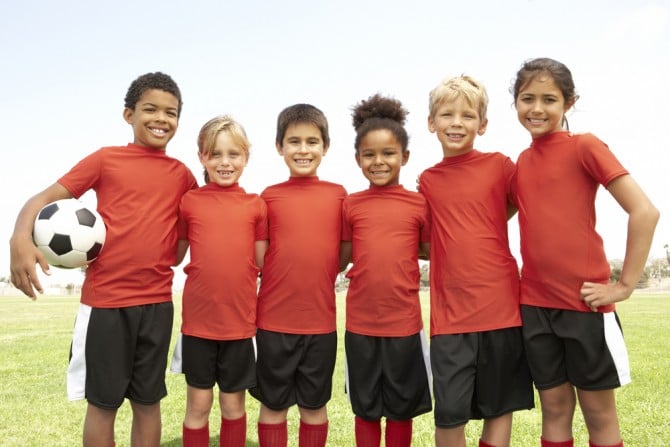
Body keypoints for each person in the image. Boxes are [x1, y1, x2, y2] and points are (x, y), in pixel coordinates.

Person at [8, 72, 198, 447]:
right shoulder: (105, 160)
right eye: (150, 109)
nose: (161, 118)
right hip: (106, 306)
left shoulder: (183, 176)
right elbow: (40, 200)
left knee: (148, 402)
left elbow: (181, 244)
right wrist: (19, 238)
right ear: (128, 114)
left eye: (171, 112)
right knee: (103, 405)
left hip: (157, 306)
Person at [509, 57, 659, 447]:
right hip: (536, 308)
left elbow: (644, 211)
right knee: (555, 409)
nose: (537, 108)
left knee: (598, 412)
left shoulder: (585, 146)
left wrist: (623, 285)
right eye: (527, 98)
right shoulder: (521, 164)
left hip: (585, 306)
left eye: (549, 99)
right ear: (515, 103)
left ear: (569, 103)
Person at [418, 75, 534, 447]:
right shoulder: (427, 181)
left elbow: (515, 206)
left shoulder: (500, 166)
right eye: (447, 114)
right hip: (450, 319)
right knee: (450, 415)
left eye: (467, 116)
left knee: (500, 409)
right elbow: (425, 242)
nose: (456, 123)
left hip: (501, 309)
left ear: (482, 125)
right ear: (431, 122)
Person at [249, 104, 347, 447]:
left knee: (314, 406)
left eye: (311, 141)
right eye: (294, 142)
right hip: (274, 323)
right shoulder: (268, 197)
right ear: (279, 147)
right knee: (273, 406)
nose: (303, 150)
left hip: (320, 325)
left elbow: (342, 254)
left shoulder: (339, 196)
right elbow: (260, 257)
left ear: (325, 147)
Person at [339, 93, 432, 447]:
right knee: (365, 407)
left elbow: (428, 250)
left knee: (400, 407)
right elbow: (342, 258)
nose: (379, 161)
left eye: (388, 153)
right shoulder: (350, 205)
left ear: (404, 157)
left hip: (404, 324)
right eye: (369, 154)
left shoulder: (419, 204)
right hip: (360, 325)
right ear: (358, 159)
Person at [170, 116, 268, 446]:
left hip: (239, 325)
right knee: (197, 405)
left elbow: (262, 262)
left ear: (246, 157)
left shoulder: (256, 206)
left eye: (233, 154)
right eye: (215, 154)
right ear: (202, 157)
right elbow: (173, 255)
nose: (225, 163)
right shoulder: (189, 202)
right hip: (198, 325)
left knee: (232, 406)